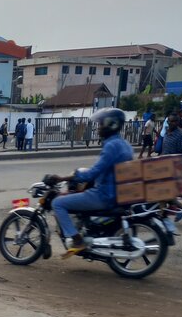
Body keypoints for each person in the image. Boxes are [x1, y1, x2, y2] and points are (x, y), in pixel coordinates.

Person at [50, 107, 133, 256]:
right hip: (117, 192)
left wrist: (63, 178)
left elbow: (92, 173)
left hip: (104, 194)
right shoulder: (124, 144)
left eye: (101, 124)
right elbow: (105, 169)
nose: (98, 127)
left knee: (58, 203)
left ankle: (77, 240)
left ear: (111, 124)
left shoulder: (111, 146)